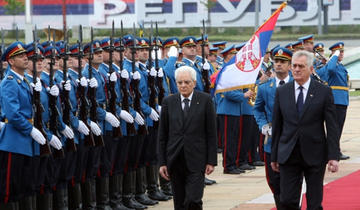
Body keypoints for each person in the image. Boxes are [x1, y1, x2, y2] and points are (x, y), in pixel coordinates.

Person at [271, 50, 340, 210]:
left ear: (310, 69)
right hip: (289, 153)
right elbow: (278, 125)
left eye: (301, 66)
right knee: (287, 200)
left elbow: (332, 126)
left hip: (315, 153)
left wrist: (333, 155)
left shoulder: (323, 91)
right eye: (294, 66)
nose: (296, 69)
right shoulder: (282, 91)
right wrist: (274, 155)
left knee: (314, 203)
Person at [158, 66, 217, 210]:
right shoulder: (168, 102)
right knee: (179, 202)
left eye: (186, 82)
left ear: (194, 83)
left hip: (197, 159)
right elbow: (162, 135)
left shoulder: (205, 100)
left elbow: (211, 132)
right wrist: (162, 162)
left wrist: (211, 160)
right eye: (180, 83)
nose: (183, 86)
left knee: (193, 199)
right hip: (175, 158)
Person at [254, 47, 293, 209]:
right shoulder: (265, 87)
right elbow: (257, 108)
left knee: (291, 181)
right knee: (274, 181)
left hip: (293, 140)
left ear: (290, 65)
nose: (278, 65)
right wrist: (263, 125)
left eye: (283, 62)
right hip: (272, 141)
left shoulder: (297, 84)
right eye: (276, 61)